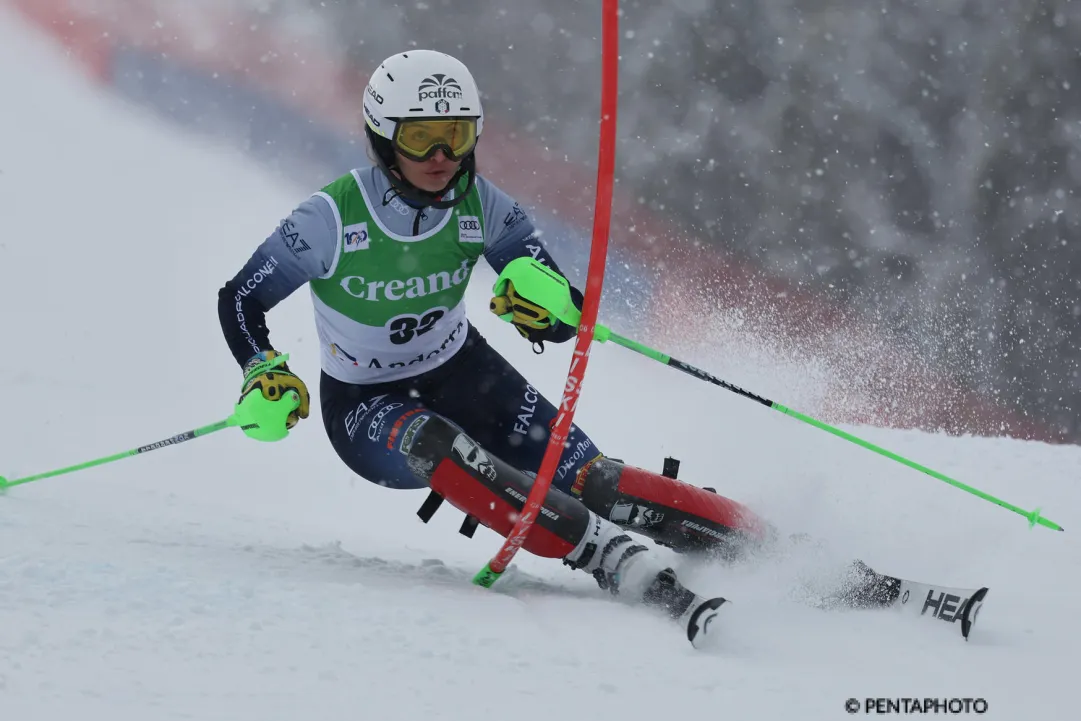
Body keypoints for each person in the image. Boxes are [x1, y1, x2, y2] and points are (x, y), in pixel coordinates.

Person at [217, 49, 768, 647]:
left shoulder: (484, 206)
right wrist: (261, 368)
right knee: (434, 443)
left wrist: (546, 311)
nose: (440, 157)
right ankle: (606, 555)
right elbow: (240, 299)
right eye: (421, 137)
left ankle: (775, 549)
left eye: (456, 136)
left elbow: (564, 315)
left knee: (597, 480)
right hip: (364, 402)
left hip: (467, 374)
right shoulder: (329, 218)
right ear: (382, 137)